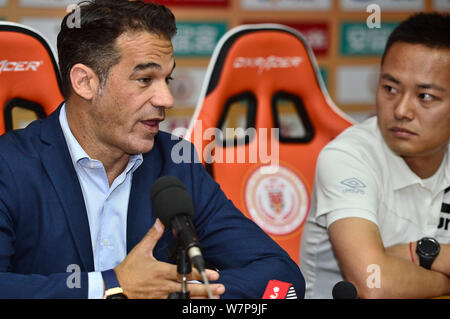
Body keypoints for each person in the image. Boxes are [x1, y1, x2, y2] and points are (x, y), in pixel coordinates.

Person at [0, 0, 305, 299]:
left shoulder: (176, 163)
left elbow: (283, 278)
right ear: (85, 82)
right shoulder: (9, 166)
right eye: (145, 79)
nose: (167, 99)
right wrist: (111, 286)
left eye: (167, 79)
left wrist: (176, 294)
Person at [300, 12, 450, 299]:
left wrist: (414, 254)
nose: (401, 110)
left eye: (425, 97)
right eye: (390, 89)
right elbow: (373, 283)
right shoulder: (347, 156)